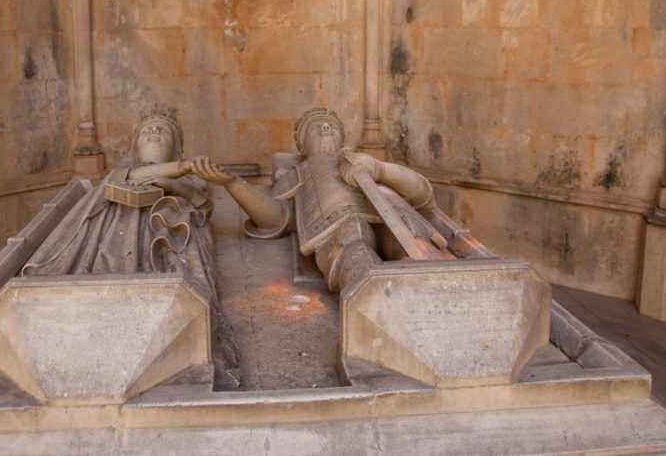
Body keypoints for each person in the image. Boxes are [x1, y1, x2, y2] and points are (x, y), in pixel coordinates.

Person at [23, 113, 239, 387]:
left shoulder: (192, 181)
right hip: (115, 223)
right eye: (148, 130)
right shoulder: (121, 174)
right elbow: (126, 178)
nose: (155, 133)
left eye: (163, 131)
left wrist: (172, 185)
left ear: (176, 148)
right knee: (107, 254)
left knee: (174, 250)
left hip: (167, 223)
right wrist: (180, 167)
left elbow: (201, 202)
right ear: (134, 146)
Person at [191, 107, 457, 293]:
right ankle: (371, 291)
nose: (326, 128)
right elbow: (279, 218)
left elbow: (422, 193)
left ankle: (430, 290)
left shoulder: (364, 160)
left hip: (397, 217)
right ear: (302, 147)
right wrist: (233, 184)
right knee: (353, 247)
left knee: (411, 244)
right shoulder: (297, 172)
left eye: (331, 126)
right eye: (317, 128)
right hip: (340, 221)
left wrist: (379, 169)